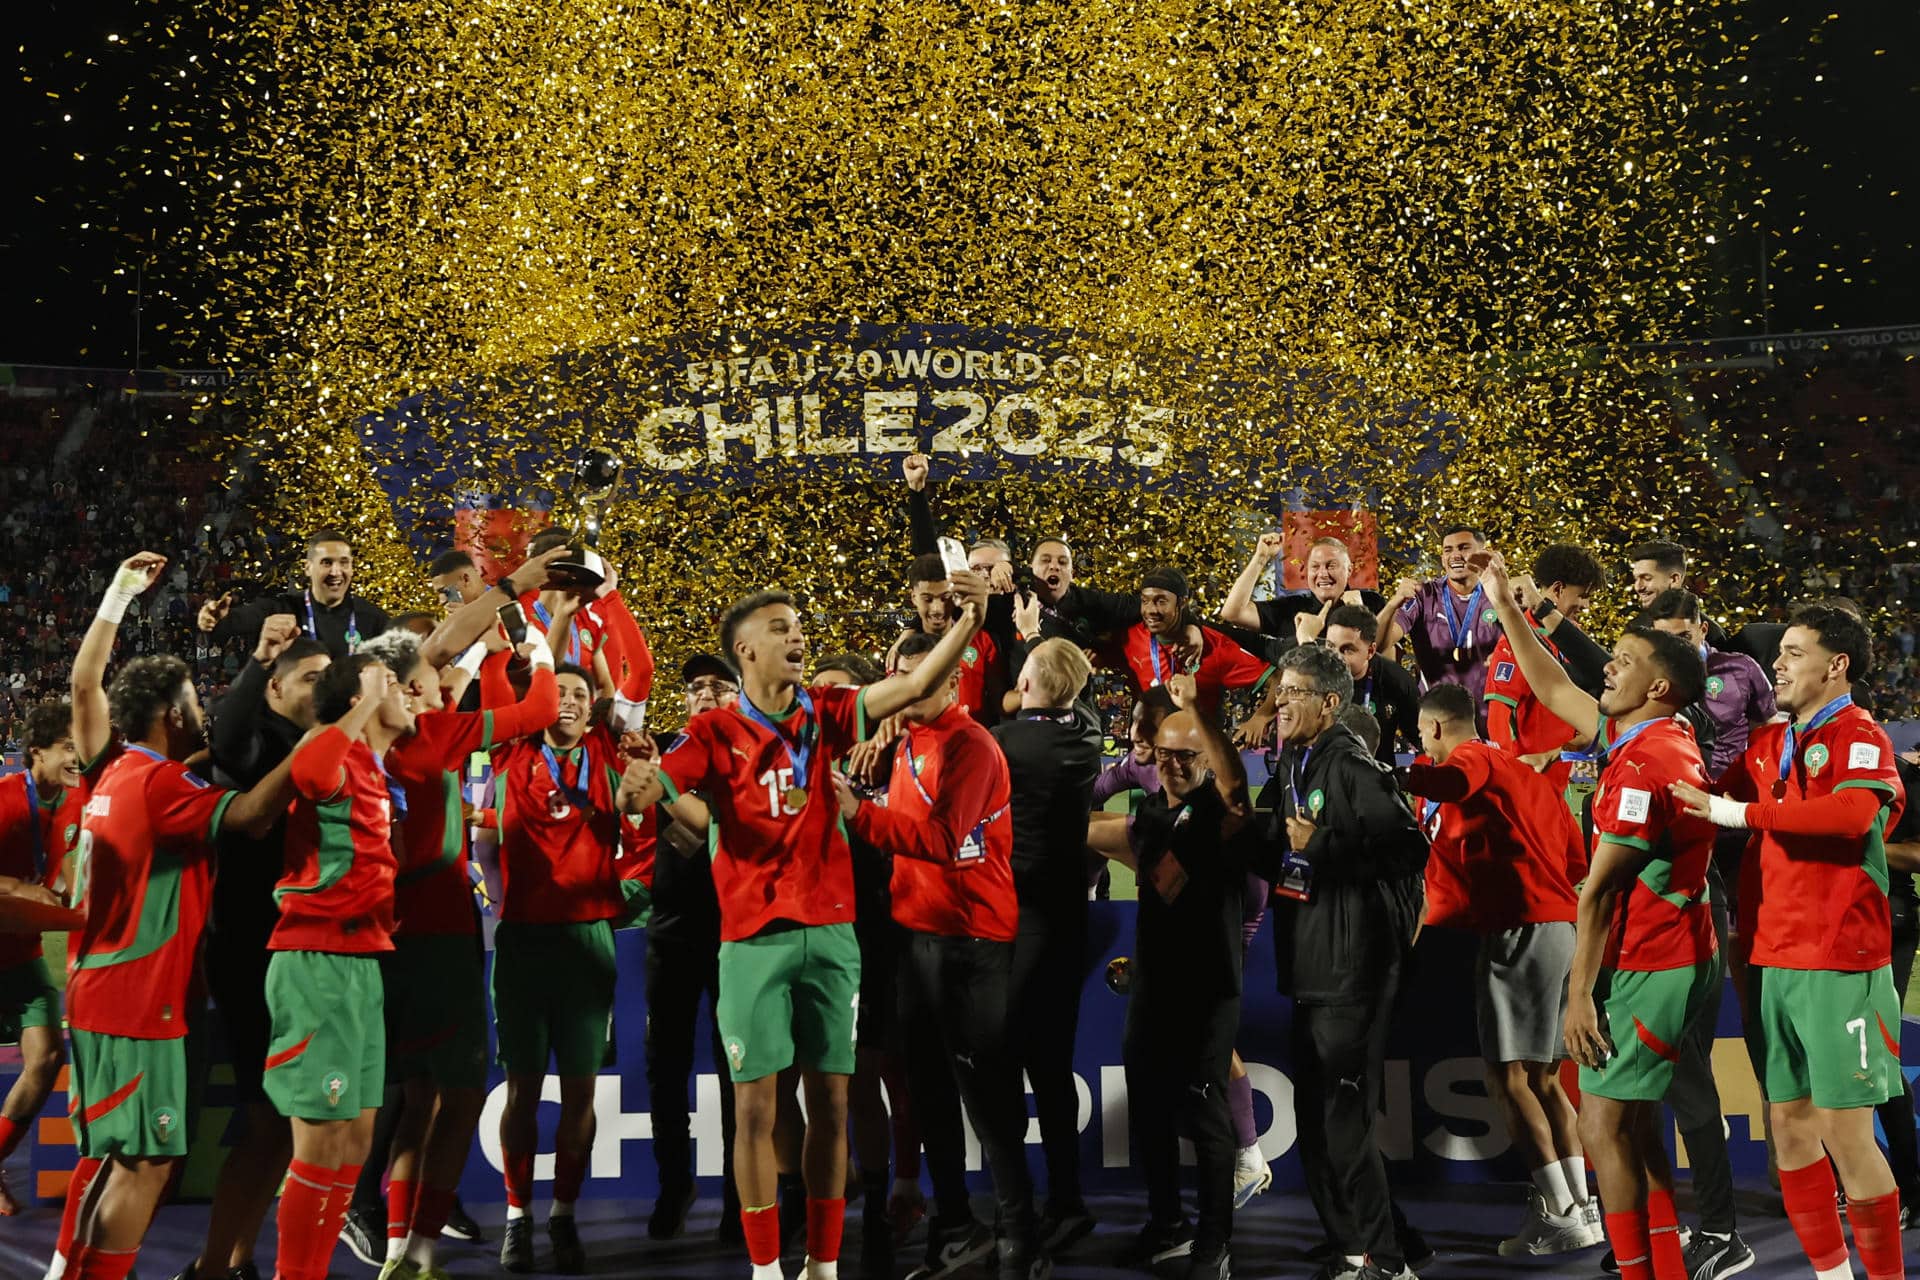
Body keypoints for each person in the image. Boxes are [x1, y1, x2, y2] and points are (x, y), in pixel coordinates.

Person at [617, 574, 992, 1280]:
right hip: (752, 940)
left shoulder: (826, 712)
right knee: (757, 1107)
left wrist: (969, 624)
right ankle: (766, 1268)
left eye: (799, 625)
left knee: (832, 1101)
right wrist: (640, 788)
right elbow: (665, 782)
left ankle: (821, 1264)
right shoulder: (712, 730)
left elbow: (909, 690)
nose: (799, 636)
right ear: (746, 651)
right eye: (783, 628)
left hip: (833, 936)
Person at [1479, 550, 1730, 1280]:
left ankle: (1635, 1266)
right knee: (1632, 1120)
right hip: (1665, 950)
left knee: (1600, 1121)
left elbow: (1600, 892)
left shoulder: (1649, 765)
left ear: (1659, 685)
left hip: (1653, 960)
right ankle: (1658, 1260)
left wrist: (1580, 995)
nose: (1606, 668)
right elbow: (1553, 685)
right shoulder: (1644, 735)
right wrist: (1505, 604)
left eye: (1621, 660)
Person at [64, 561, 300, 1280]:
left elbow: (82, 687)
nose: (203, 709)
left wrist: (116, 598)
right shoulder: (167, 789)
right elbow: (256, 817)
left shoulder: (111, 770)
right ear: (172, 713)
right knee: (149, 1164)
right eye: (196, 700)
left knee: (112, 1160)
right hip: (144, 1000)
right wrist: (324, 741)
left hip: (95, 987)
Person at [1676, 603, 1908, 1280]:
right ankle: (1832, 1276)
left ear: (1836, 665)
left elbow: (1852, 814)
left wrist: (1739, 812)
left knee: (1845, 1132)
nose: (1778, 662)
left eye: (1795, 652)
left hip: (1841, 958)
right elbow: (1706, 791)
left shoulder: (1858, 734)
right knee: (1791, 1129)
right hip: (1775, 956)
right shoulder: (1774, 742)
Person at [834, 629, 1044, 1280]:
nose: (904, 687)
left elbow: (948, 839)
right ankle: (957, 1225)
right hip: (916, 937)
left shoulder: (972, 746)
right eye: (899, 675)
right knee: (926, 1094)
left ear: (950, 682)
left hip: (972, 940)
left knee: (985, 1099)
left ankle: (1022, 1240)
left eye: (919, 676)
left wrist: (857, 814)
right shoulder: (905, 739)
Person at [360, 627, 560, 1280]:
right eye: (423, 677)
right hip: (443, 937)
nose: (436, 685)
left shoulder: (361, 744)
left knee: (416, 1101)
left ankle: (394, 1250)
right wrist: (540, 655)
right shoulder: (434, 736)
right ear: (402, 687)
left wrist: (485, 651)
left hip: (387, 936)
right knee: (463, 1095)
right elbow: (537, 711)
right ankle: (418, 1250)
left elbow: (457, 685)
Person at [1404, 684, 1600, 1256]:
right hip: (1560, 927)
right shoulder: (1531, 780)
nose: (1423, 745)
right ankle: (1578, 1207)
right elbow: (1576, 862)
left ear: (1437, 727)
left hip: (1517, 929)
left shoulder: (1474, 757)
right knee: (1542, 1079)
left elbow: (1455, 781)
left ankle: (1558, 1211)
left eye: (1422, 735)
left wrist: (1400, 776)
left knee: (1505, 1076)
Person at [1088, 673, 1272, 1280]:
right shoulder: (1147, 814)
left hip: (1207, 991)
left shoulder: (1223, 817)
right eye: (1164, 754)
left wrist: (1200, 714)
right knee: (1151, 1111)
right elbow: (1116, 841)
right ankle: (1167, 1225)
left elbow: (1237, 786)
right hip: (1154, 990)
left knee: (1206, 1117)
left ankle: (1214, 1245)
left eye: (1185, 755)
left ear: (1206, 759)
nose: (1171, 765)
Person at [171, 623, 330, 1280]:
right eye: (312, 677)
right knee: (269, 1123)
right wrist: (257, 656)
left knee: (286, 1126)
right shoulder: (252, 743)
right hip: (250, 955)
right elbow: (229, 732)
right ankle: (214, 1266)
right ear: (275, 688)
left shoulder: (324, 745)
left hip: (305, 954)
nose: (326, 687)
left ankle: (236, 1260)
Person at [1266, 645, 1428, 1280]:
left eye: (1295, 692)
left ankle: (1386, 1261)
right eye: (1280, 690)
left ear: (1330, 703)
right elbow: (1281, 845)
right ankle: (1350, 1249)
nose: (1281, 702)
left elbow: (1409, 847)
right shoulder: (1290, 759)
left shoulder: (1352, 765)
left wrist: (1324, 845)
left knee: (1345, 1124)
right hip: (1311, 963)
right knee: (1316, 1118)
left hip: (1352, 970)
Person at [262, 657, 413, 1280]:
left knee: (353, 1145)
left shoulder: (376, 772)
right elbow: (310, 768)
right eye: (394, 684)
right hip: (315, 960)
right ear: (364, 694)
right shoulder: (332, 753)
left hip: (363, 964)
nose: (406, 693)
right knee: (321, 1144)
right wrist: (361, 703)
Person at [487, 655, 629, 1274]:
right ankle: (517, 1217)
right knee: (521, 1090)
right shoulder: (511, 753)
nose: (568, 701)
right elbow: (502, 678)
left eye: (579, 693)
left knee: (579, 1094)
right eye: (558, 692)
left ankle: (564, 1214)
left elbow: (631, 677)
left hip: (588, 941)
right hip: (521, 942)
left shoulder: (608, 754)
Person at [993, 639, 1103, 1252]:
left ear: (1028, 688)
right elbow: (1077, 704)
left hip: (1016, 916)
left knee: (1006, 1058)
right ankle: (1067, 1200)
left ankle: (1021, 1209)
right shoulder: (1085, 739)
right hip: (1069, 917)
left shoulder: (1002, 742)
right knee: (1054, 1067)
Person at [641, 653, 744, 1242]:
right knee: (665, 1069)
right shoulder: (663, 751)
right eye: (695, 688)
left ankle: (739, 1196)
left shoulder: (750, 755)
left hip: (734, 931)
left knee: (738, 1071)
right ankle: (673, 1184)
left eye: (718, 686)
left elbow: (708, 826)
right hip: (672, 930)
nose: (705, 694)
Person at [0, 700, 85, 1217]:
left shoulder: (75, 801)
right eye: (69, 748)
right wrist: (20, 889)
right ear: (37, 752)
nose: (79, 758)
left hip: (21, 953)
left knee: (47, 1057)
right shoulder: (6, 800)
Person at [1237, 605, 1418, 765]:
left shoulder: (1395, 681)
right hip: (1306, 775)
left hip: (1368, 780)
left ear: (1370, 651)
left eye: (1347, 650)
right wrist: (1261, 715)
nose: (1336, 657)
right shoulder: (1310, 659)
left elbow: (1420, 738)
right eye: (1331, 646)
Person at [206, 529, 392, 661]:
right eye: (326, 563)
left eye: (344, 563)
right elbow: (240, 619)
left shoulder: (372, 618)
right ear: (308, 568)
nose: (336, 572)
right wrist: (216, 619)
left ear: (352, 568)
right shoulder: (282, 608)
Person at [1110, 567, 1273, 718]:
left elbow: (1276, 679)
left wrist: (1261, 717)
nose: (1151, 610)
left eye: (1161, 602)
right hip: (1148, 744)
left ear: (1182, 603)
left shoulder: (1215, 646)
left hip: (1198, 744)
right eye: (1145, 601)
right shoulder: (1129, 637)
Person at [1377, 524, 1501, 705]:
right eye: (1448, 550)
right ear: (1443, 559)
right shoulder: (1424, 595)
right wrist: (1392, 604)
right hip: (1437, 718)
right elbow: (1377, 645)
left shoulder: (1499, 595)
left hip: (1489, 717)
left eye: (1464, 548)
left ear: (1483, 553)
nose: (1455, 555)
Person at [1218, 533, 1386, 646]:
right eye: (1315, 567)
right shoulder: (1290, 608)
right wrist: (1261, 558)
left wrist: (1359, 613)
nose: (1322, 574)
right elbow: (1232, 613)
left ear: (1349, 570)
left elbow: (1384, 650)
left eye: (1331, 565)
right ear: (1306, 572)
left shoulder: (1371, 602)